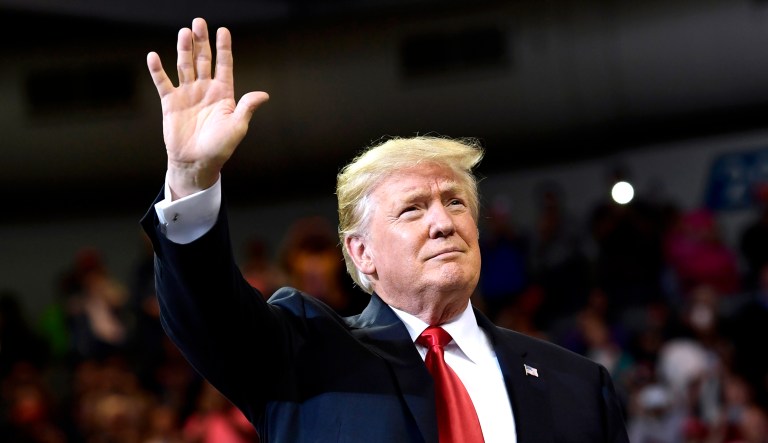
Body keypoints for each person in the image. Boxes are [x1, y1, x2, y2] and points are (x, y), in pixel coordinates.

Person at [141, 17, 629, 442]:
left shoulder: (579, 385)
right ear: (361, 253)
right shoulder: (302, 354)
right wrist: (191, 179)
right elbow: (208, 313)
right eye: (413, 209)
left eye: (455, 202)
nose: (443, 223)